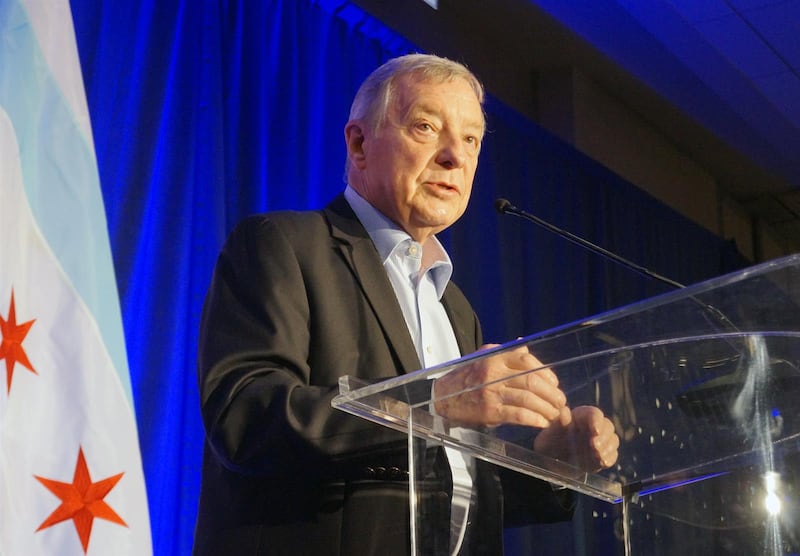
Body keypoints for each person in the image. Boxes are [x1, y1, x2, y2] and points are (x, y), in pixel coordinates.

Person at [193, 53, 619, 556]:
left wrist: (553, 463)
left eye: (471, 140)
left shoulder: (456, 309)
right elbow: (247, 420)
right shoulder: (283, 246)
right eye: (425, 126)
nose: (454, 157)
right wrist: (435, 403)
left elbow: (454, 482)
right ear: (358, 144)